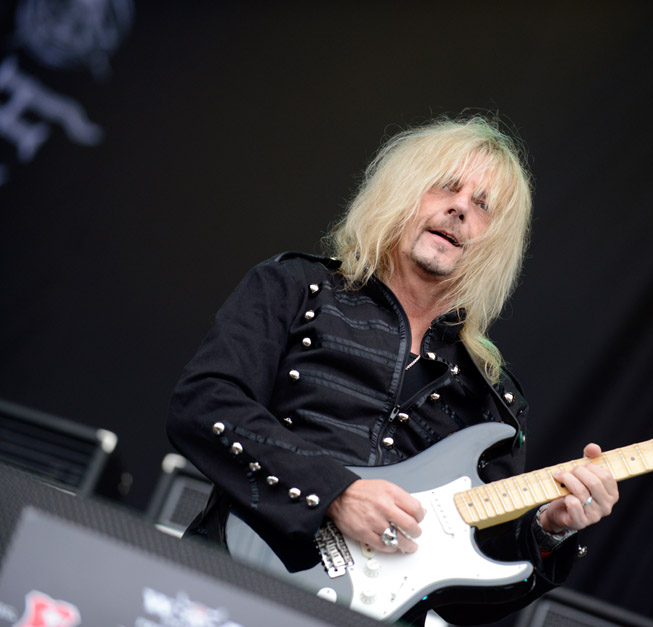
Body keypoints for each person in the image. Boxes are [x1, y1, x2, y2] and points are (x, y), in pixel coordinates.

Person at [165, 115, 619, 625]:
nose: (460, 208)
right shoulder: (295, 287)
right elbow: (202, 404)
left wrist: (549, 530)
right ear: (401, 192)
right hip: (230, 585)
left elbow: (472, 600)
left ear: (495, 244)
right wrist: (335, 492)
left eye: (483, 205)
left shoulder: (493, 400)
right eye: (446, 186)